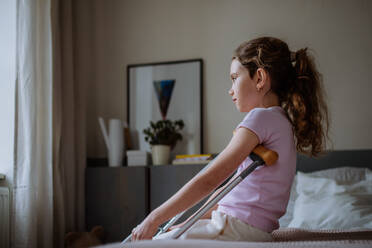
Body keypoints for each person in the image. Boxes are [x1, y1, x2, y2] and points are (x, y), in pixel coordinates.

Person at [131, 36, 329, 242]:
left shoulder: (260, 117)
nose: (230, 89)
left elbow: (210, 179)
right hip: (247, 229)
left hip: (233, 228)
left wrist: (154, 218)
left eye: (235, 78)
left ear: (260, 78)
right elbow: (228, 197)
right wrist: (183, 226)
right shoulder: (282, 122)